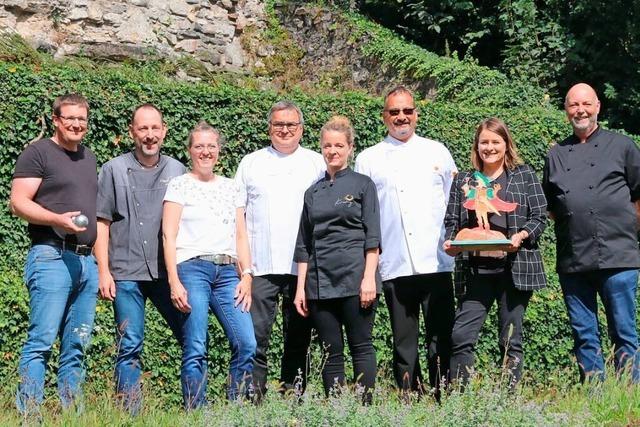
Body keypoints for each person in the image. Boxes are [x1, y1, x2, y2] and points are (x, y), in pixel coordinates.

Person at [355, 86, 457, 394]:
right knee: (403, 340)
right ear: (384, 116)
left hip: (437, 260)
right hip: (395, 263)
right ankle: (409, 398)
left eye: (407, 111)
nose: (402, 117)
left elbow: (455, 204)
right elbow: (364, 217)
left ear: (416, 113)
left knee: (441, 335)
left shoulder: (437, 150)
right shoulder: (368, 158)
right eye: (395, 112)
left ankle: (445, 395)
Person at [543, 83, 640, 383]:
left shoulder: (623, 146)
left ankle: (629, 395)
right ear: (566, 110)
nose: (580, 110)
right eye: (573, 105)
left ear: (598, 106)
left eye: (586, 104)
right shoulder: (556, 154)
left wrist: (628, 232)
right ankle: (594, 394)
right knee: (584, 334)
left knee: (624, 331)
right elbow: (550, 205)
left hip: (619, 255)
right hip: (574, 260)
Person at [94, 103, 186, 412]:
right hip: (125, 272)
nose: (149, 135)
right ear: (132, 132)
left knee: (192, 337)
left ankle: (194, 410)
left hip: (166, 274)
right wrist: (103, 271)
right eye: (142, 128)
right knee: (129, 346)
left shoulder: (177, 170)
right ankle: (131, 414)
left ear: (164, 131)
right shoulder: (113, 169)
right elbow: (101, 223)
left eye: (154, 128)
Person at [10, 94, 98, 413]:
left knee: (77, 344)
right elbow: (18, 202)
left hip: (87, 262)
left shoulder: (88, 158)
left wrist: (100, 264)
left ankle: (72, 416)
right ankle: (29, 415)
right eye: (70, 118)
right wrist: (57, 220)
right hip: (51, 257)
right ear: (57, 120)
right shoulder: (38, 153)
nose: (76, 124)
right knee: (42, 342)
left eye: (82, 119)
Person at [443, 117, 547, 387]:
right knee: (461, 336)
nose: (489, 147)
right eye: (484, 142)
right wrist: (451, 243)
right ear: (476, 147)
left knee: (510, 339)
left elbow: (538, 217)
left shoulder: (523, 175)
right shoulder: (465, 180)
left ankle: (508, 402)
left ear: (506, 144)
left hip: (514, 269)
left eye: (495, 141)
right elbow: (452, 221)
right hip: (475, 272)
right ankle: (460, 401)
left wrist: (521, 236)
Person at [235, 101, 325, 399]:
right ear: (269, 128)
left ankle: (293, 401)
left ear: (301, 129)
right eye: (278, 124)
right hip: (261, 267)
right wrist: (244, 267)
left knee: (299, 339)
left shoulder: (316, 162)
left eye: (291, 125)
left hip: (304, 267)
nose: (285, 130)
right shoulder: (251, 163)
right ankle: (253, 401)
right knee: (255, 338)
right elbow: (238, 217)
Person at [163, 121, 256, 408]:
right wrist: (174, 281)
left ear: (219, 151)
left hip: (229, 273)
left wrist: (247, 275)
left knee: (246, 343)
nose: (206, 151)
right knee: (195, 346)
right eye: (199, 146)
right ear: (190, 150)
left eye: (211, 146)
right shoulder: (179, 185)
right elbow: (169, 235)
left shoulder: (232, 187)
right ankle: (197, 413)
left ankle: (235, 410)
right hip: (192, 270)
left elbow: (241, 234)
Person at [293, 116, 382, 403]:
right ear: (321, 148)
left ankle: (364, 411)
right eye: (327, 146)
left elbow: (373, 238)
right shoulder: (312, 192)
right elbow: (304, 243)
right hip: (320, 284)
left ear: (350, 148)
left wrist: (369, 278)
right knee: (331, 352)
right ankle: (336, 412)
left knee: (361, 347)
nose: (333, 151)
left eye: (339, 146)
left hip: (356, 280)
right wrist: (301, 289)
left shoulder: (363, 185)